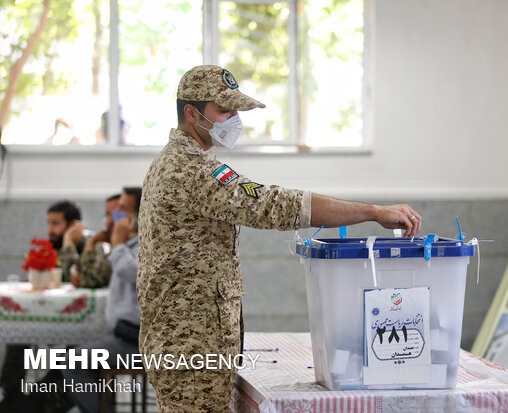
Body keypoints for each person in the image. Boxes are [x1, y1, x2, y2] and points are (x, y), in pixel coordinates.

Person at [137, 65, 422, 412]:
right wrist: (373, 212)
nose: (234, 119)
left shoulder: (179, 161)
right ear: (191, 113)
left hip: (185, 339)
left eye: (236, 109)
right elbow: (272, 204)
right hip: (190, 344)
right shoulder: (190, 169)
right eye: (224, 110)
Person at [62, 186, 142, 413]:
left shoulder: (145, 244)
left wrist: (116, 240)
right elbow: (86, 276)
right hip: (125, 333)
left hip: (137, 341)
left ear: (137, 215)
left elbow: (131, 272)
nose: (115, 217)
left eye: (122, 210)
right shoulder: (126, 246)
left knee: (73, 361)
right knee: (77, 349)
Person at [69, 194, 120, 288]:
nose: (110, 221)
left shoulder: (129, 249)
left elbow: (88, 280)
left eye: (117, 215)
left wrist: (90, 243)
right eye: (108, 215)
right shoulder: (107, 246)